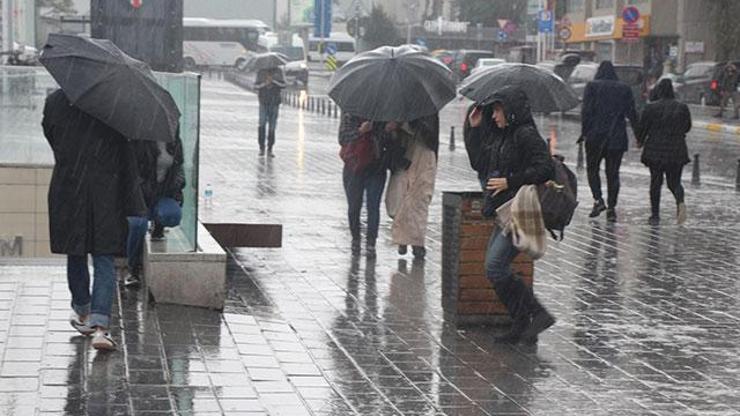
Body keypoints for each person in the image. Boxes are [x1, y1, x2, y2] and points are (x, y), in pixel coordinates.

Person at [42, 89, 145, 351]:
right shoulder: (113, 103)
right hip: (105, 191)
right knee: (104, 257)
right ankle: (101, 327)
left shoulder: (55, 101)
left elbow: (52, 137)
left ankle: (82, 310)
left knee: (75, 251)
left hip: (69, 186)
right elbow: (125, 150)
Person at [467, 86, 555, 344]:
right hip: (503, 212)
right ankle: (523, 322)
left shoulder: (525, 135)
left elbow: (545, 168)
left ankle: (535, 315)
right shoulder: (503, 135)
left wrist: (510, 181)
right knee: (493, 267)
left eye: (497, 110)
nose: (494, 116)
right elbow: (479, 163)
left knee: (495, 266)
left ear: (511, 110)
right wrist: (474, 130)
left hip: (518, 210)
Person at [124, 135, 186, 287]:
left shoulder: (174, 142)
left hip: (162, 195)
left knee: (172, 215)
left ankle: (158, 226)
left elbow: (179, 168)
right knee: (138, 225)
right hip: (140, 196)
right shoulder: (138, 142)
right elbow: (131, 173)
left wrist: (177, 184)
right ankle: (133, 268)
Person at [581, 60, 639, 222]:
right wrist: (639, 136)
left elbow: (586, 112)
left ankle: (598, 200)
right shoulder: (624, 89)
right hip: (617, 137)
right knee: (613, 173)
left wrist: (584, 133)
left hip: (595, 137)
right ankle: (612, 207)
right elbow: (632, 113)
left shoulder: (592, 87)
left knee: (592, 169)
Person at [636, 79, 692, 226]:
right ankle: (680, 202)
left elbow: (643, 127)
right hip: (677, 150)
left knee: (656, 182)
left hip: (655, 151)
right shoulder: (682, 107)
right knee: (674, 182)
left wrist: (640, 141)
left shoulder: (651, 108)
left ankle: (655, 215)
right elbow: (687, 127)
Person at [384, 114, 439, 259]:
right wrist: (393, 131)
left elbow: (430, 139)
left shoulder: (428, 111)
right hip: (402, 159)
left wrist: (408, 124)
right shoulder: (394, 108)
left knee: (418, 202)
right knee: (398, 199)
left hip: (423, 159)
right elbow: (387, 141)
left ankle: (417, 243)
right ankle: (402, 238)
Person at [338, 113, 389, 257]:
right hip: (353, 167)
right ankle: (355, 239)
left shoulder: (382, 112)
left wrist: (387, 130)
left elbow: (388, 142)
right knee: (354, 207)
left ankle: (371, 243)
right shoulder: (350, 113)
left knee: (373, 207)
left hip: (376, 167)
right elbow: (342, 139)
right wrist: (361, 131)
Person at [255, 67, 286, 157]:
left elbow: (283, 85)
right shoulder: (261, 71)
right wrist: (265, 83)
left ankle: (270, 148)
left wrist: (274, 82)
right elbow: (255, 86)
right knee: (262, 124)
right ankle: (261, 147)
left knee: (272, 127)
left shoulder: (278, 71)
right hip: (263, 102)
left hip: (274, 102)